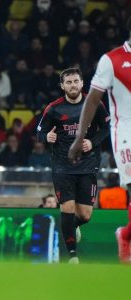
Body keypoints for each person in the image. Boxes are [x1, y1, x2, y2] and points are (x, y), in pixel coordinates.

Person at [68, 20, 131, 262]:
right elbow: (93, 100)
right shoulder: (111, 59)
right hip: (125, 131)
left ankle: (125, 235)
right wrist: (79, 138)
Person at [37, 68, 110, 264]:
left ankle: (72, 226)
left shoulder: (94, 103)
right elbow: (39, 131)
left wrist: (92, 142)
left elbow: (106, 127)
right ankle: (72, 256)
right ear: (62, 86)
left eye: (75, 81)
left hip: (87, 166)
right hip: (62, 167)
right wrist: (47, 137)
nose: (72, 85)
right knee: (67, 208)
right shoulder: (53, 108)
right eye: (68, 82)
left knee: (84, 215)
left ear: (82, 83)